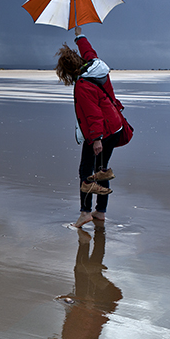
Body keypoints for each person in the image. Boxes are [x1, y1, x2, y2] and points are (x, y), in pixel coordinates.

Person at [55, 26, 125, 228]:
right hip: (114, 126)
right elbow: (90, 52)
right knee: (101, 170)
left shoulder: (83, 85)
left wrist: (95, 139)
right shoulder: (96, 66)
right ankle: (100, 212)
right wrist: (80, 36)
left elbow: (93, 114)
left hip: (101, 131)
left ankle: (85, 213)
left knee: (86, 172)